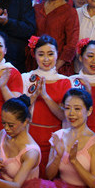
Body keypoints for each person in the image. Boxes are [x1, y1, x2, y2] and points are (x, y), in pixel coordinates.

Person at [21, 35, 73, 175]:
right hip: (30, 136)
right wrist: (34, 96)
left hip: (54, 139)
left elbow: (64, 115)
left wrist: (45, 96)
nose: (46, 59)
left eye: (50, 54)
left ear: (57, 54)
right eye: (41, 54)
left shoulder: (65, 81)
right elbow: (19, 112)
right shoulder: (26, 78)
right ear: (34, 55)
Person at [46, 89, 95, 188]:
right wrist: (58, 156)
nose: (71, 113)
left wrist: (74, 161)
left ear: (89, 111)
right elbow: (49, 176)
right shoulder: (58, 136)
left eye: (77, 109)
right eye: (67, 108)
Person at [31, 0, 79, 75]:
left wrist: (54, 68)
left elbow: (71, 44)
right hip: (36, 65)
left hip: (59, 68)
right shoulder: (37, 9)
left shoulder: (70, 12)